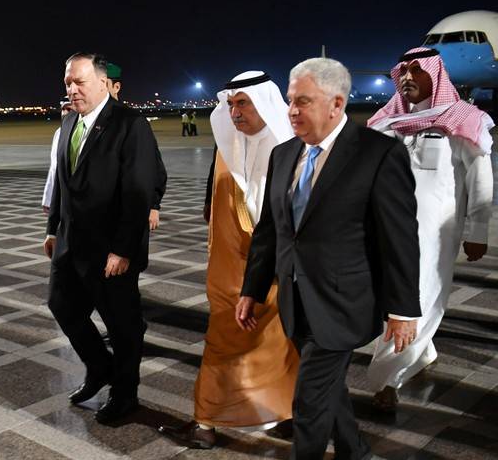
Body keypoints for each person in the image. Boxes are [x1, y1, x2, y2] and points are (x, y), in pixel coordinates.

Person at [237, 57, 421, 460]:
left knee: (308, 404)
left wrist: (403, 307)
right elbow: (271, 230)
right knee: (327, 387)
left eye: (303, 101)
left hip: (344, 302)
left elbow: (400, 237)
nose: (291, 111)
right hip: (295, 299)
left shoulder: (377, 154)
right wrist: (251, 289)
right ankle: (355, 450)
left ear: (336, 104)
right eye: (290, 101)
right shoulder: (284, 155)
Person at [159, 71, 298, 449]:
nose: (235, 112)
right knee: (222, 341)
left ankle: (284, 414)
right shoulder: (226, 146)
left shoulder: (291, 147)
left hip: (278, 271)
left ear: (265, 104)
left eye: (243, 103)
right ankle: (205, 421)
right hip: (229, 273)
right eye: (231, 104)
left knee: (281, 345)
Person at [366, 47, 494, 411]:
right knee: (397, 297)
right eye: (402, 70)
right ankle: (422, 352)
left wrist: (478, 230)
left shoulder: (464, 118)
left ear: (436, 77)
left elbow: (480, 178)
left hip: (435, 232)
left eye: (416, 71)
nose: (406, 77)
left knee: (415, 298)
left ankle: (387, 380)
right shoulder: (387, 121)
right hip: (386, 229)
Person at [44, 52, 158, 424]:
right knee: (61, 306)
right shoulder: (69, 124)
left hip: (111, 250)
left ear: (102, 81)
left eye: (79, 82)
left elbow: (138, 192)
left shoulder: (130, 124)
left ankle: (126, 394)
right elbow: (64, 184)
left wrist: (123, 249)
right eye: (67, 82)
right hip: (69, 244)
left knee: (122, 326)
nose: (72, 89)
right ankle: (99, 368)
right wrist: (52, 230)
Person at [105, 61, 167, 231]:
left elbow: (154, 165)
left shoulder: (132, 121)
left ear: (116, 87)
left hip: (128, 211)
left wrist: (154, 205)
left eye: (103, 83)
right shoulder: (91, 121)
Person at [42, 99, 73, 213]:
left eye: (69, 109)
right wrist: (48, 199)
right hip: (60, 197)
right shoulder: (59, 133)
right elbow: (54, 168)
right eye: (63, 109)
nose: (65, 113)